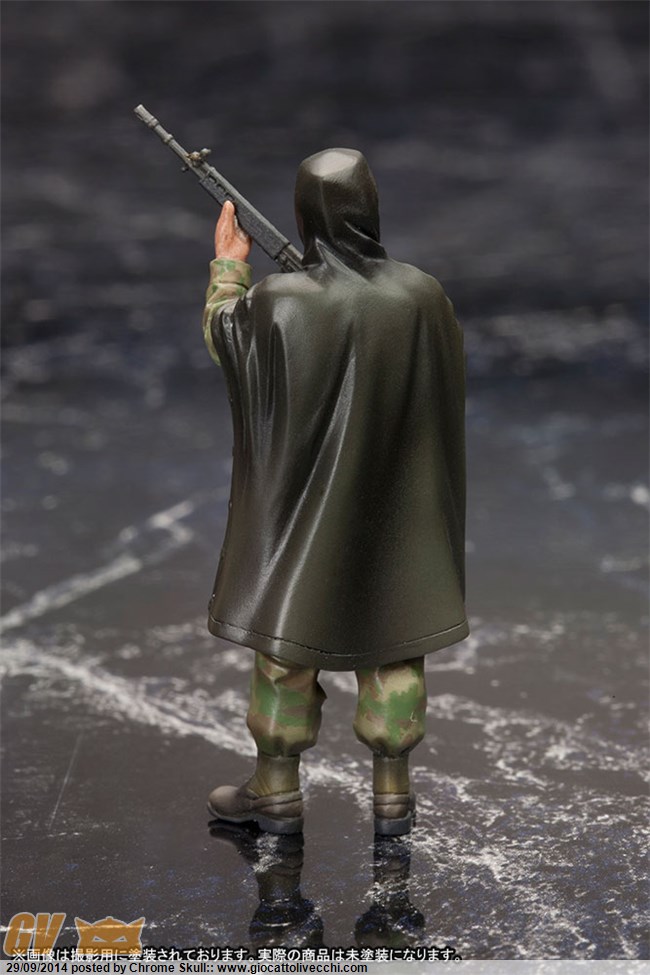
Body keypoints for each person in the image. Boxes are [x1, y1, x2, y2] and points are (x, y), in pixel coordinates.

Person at [201, 149, 468, 836]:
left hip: (306, 509)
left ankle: (277, 788)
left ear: (305, 217)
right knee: (394, 637)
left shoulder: (282, 300)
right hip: (398, 508)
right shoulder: (423, 294)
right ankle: (393, 793)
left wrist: (229, 268)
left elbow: (228, 342)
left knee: (287, 642)